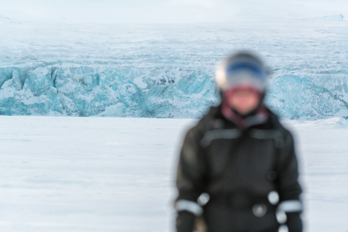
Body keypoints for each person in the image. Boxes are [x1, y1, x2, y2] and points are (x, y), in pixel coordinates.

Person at [174, 51, 303, 232]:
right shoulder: (204, 134)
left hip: (263, 224)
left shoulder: (276, 135)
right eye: (237, 93)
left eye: (249, 93)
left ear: (261, 93)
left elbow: (289, 189)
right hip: (214, 224)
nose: (243, 99)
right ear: (224, 92)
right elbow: (189, 189)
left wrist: (295, 225)